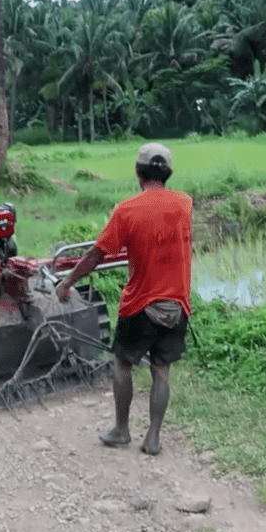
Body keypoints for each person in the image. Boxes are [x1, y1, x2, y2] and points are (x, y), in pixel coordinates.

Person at [55, 143, 193, 456]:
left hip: (140, 304)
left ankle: (121, 429)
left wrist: (67, 281)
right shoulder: (185, 203)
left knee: (122, 362)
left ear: (138, 171)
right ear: (168, 173)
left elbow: (96, 255)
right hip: (177, 304)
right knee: (162, 370)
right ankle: (153, 438)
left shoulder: (127, 210)